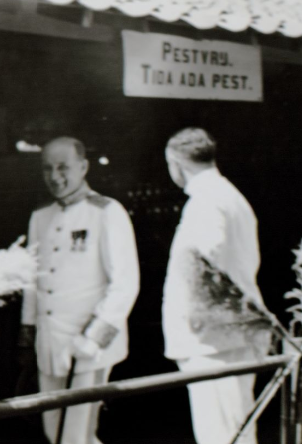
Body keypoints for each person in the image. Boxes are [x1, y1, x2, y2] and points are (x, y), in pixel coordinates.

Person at [18, 136, 140, 444]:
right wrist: (29, 333)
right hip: (49, 343)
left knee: (76, 434)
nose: (54, 176)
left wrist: (93, 339)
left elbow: (125, 283)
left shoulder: (106, 211)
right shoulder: (40, 216)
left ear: (84, 167)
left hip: (86, 345)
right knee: (54, 432)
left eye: (63, 167)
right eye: (47, 168)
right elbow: (33, 281)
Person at [161, 127, 267, 444]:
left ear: (176, 163)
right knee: (237, 430)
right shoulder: (229, 195)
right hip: (229, 336)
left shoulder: (206, 201)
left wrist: (195, 319)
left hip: (213, 342)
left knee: (220, 435)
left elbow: (204, 262)